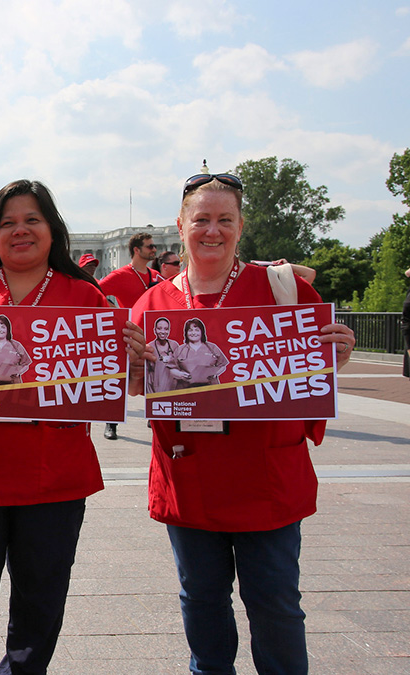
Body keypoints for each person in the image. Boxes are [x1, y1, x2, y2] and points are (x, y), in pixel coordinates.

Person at [130, 171, 356, 675]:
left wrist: (332, 357)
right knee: (202, 604)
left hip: (264, 477)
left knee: (275, 604)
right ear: (181, 226)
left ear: (240, 225)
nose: (213, 230)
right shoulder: (153, 302)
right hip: (190, 477)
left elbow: (313, 373)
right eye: (202, 219)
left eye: (224, 220)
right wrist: (130, 369)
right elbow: (135, 387)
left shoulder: (283, 288)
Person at [0, 179, 145, 675]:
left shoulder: (84, 298)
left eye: (31, 221)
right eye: (7, 223)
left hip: (52, 482)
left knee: (38, 613)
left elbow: (117, 385)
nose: (19, 231)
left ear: (52, 231)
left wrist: (129, 359)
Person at [99, 232, 160, 440]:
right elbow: (95, 292)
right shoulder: (121, 275)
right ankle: (111, 423)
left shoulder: (155, 276)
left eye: (154, 246)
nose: (154, 250)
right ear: (137, 249)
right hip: (128, 336)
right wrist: (113, 311)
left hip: (152, 336)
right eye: (150, 246)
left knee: (157, 375)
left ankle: (155, 417)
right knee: (118, 380)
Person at [170, 317, 228, 388]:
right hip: (186, 389)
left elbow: (223, 365)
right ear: (186, 333)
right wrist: (180, 374)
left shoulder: (212, 348)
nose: (193, 333)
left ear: (202, 332)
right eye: (190, 330)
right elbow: (171, 368)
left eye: (197, 330)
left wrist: (215, 373)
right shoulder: (180, 349)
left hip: (210, 388)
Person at [145, 317, 183, 394]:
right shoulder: (150, 347)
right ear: (155, 330)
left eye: (166, 329)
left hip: (173, 388)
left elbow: (180, 366)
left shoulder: (174, 345)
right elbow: (147, 372)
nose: (163, 332)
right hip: (155, 389)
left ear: (169, 330)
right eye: (159, 328)